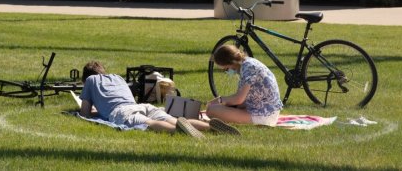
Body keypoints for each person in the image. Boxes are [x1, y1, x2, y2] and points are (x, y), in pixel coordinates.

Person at [79, 60, 240, 138]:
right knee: (172, 118)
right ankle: (209, 126)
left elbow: (84, 112)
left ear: (86, 78)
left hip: (122, 111)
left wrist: (95, 110)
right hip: (142, 105)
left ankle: (179, 132)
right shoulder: (117, 78)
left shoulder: (90, 82)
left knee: (148, 124)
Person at [206, 44, 283, 126]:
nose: (227, 72)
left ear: (231, 62)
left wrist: (220, 100)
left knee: (211, 110)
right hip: (262, 111)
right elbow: (243, 100)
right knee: (216, 109)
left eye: (226, 69)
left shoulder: (249, 68)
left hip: (264, 116)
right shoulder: (247, 64)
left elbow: (239, 99)